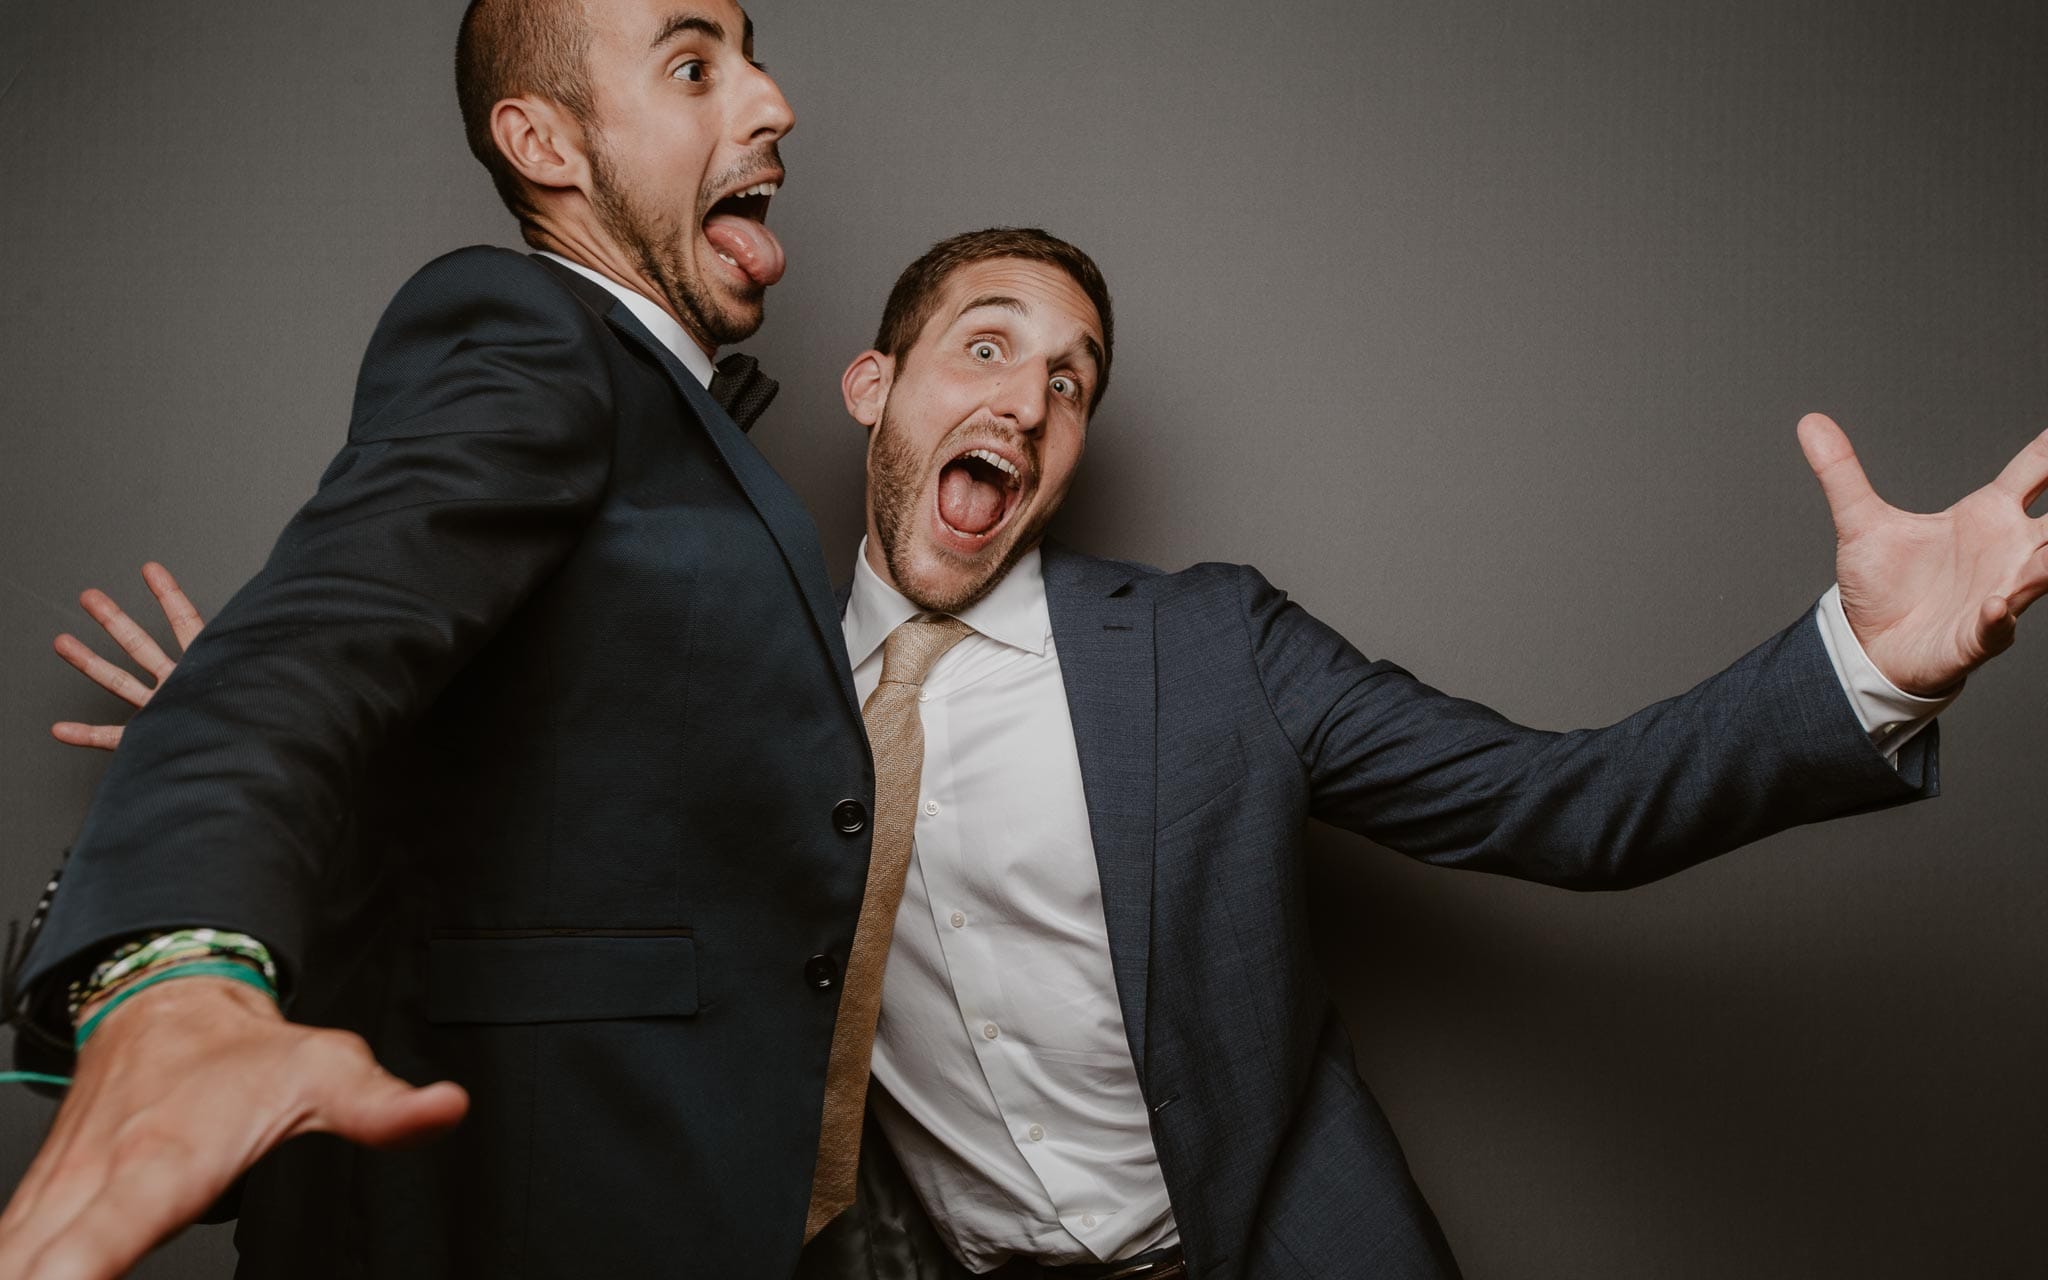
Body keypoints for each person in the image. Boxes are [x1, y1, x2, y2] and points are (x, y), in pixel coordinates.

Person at [48, 228, 2048, 1279]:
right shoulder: (691, 686)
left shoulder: (1210, 650)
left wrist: (1861, 660)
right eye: (990, 342)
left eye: (1072, 378)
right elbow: (508, 912)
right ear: (877, 381)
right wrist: (261, 742)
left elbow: (1560, 802)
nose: (1034, 394)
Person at [0, 1, 884, 1277]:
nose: (768, 102)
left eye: (753, 54)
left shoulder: (664, 421)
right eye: (693, 64)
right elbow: (305, 651)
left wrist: (348, 759)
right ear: (543, 142)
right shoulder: (532, 339)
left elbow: (456, 724)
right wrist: (173, 967)